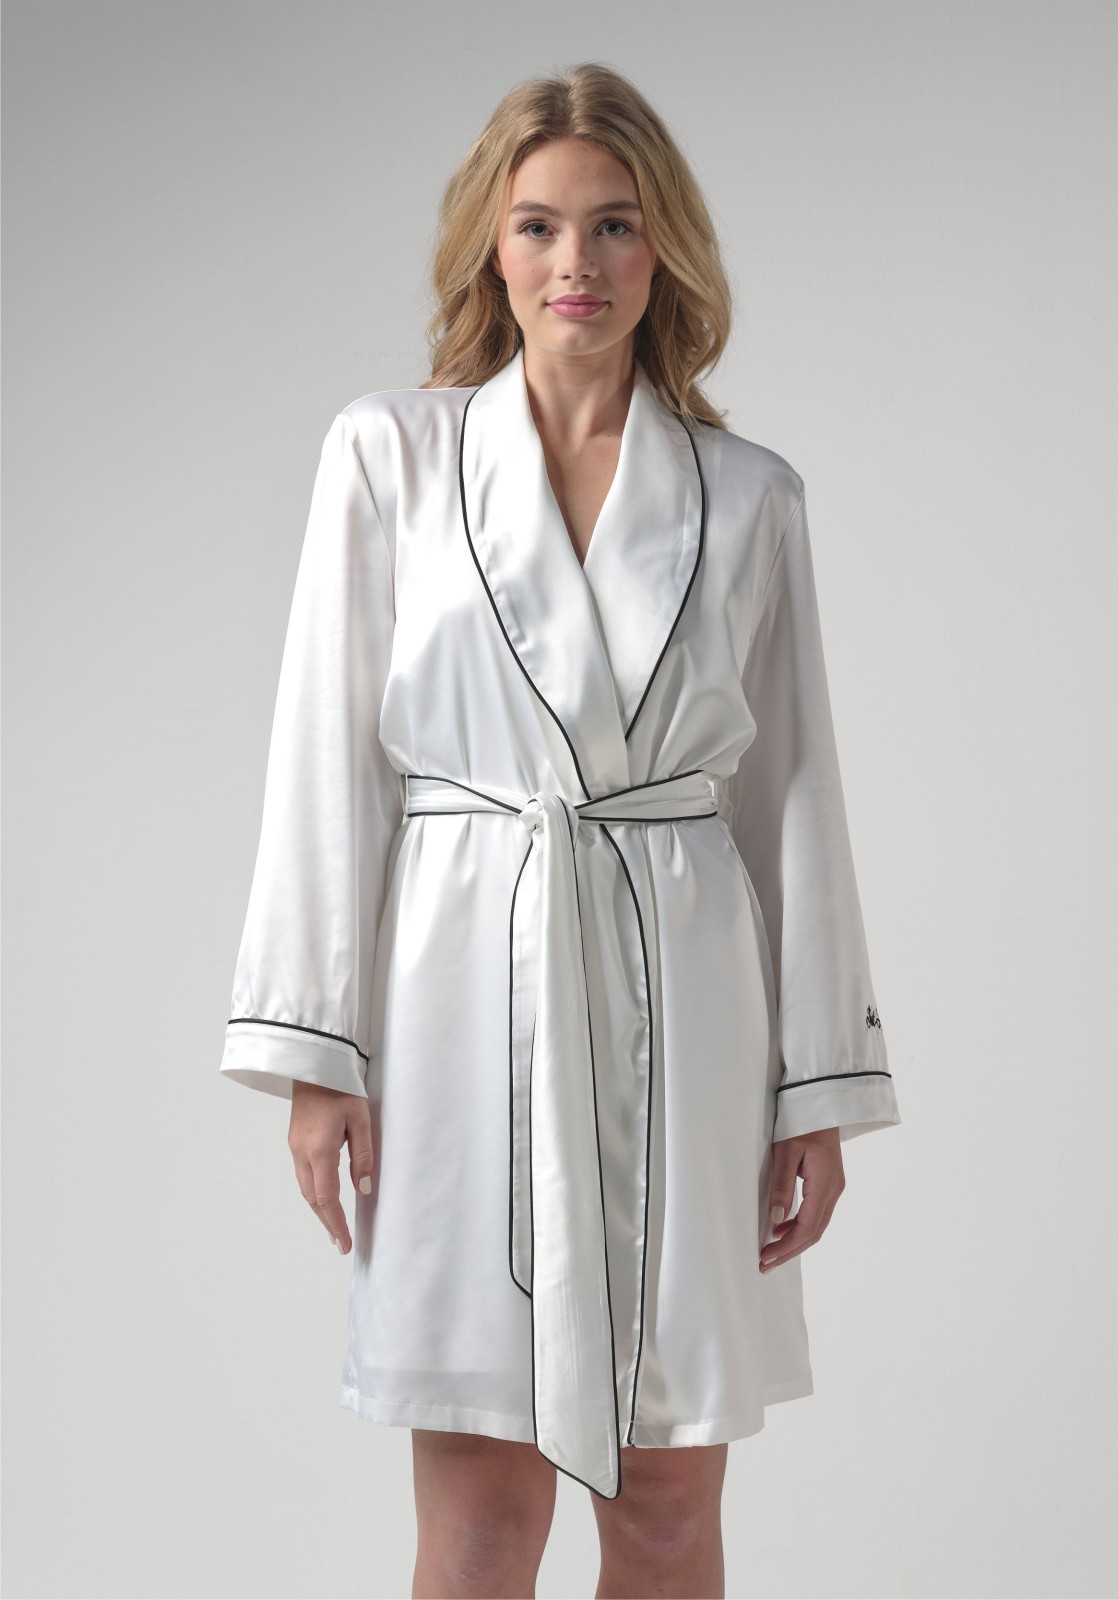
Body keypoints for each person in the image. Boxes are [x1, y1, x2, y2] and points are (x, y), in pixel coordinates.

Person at [219, 61, 901, 1600]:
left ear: (666, 252)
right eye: (537, 226)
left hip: (685, 1009)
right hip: (461, 1001)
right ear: (492, 246)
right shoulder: (390, 457)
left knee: (665, 1500)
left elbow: (792, 790)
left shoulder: (750, 498)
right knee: (480, 1507)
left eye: (613, 226)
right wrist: (321, 1059)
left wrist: (814, 1087)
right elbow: (326, 756)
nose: (574, 264)